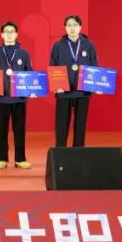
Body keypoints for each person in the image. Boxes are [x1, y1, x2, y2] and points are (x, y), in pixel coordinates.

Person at [49, 14, 101, 147]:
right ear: (65, 27)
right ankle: (60, 152)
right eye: (69, 26)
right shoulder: (58, 46)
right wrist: (56, 85)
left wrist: (96, 85)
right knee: (61, 125)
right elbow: (53, 66)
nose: (72, 28)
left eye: (75, 25)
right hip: (63, 91)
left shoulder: (88, 45)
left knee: (80, 125)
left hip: (83, 91)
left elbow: (94, 66)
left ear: (80, 27)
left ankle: (78, 152)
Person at [0, 21, 33, 169]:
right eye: (6, 32)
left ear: (16, 34)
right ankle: (2, 158)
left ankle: (20, 159)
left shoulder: (24, 54)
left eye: (12, 32)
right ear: (1, 35)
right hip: (1, 98)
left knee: (20, 130)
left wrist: (32, 90)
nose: (9, 34)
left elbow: (29, 74)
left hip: (19, 98)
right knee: (1, 130)